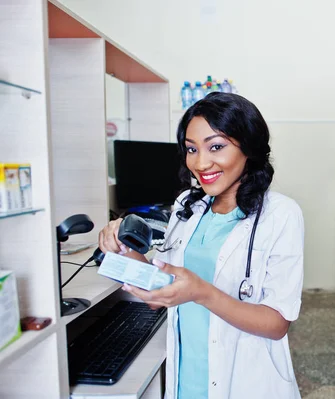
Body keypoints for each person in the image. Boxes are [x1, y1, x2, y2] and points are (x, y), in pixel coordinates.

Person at [98, 92, 304, 399]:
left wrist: (202, 292)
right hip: (187, 378)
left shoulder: (281, 214)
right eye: (191, 149)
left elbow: (276, 324)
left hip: (245, 379)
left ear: (249, 146)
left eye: (216, 146)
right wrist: (123, 247)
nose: (201, 162)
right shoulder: (188, 206)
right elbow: (161, 291)